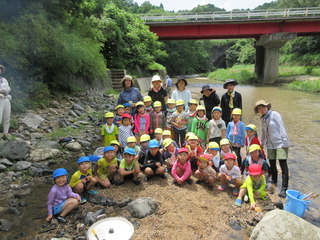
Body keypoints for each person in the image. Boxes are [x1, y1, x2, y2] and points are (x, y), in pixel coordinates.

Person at [254, 100, 290, 198]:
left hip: (280, 144)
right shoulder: (262, 119)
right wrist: (262, 142)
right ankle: (273, 183)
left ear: (267, 106)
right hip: (270, 145)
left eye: (263, 107)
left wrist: (285, 143)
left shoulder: (275, 115)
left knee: (283, 165)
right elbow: (263, 131)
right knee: (272, 164)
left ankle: (284, 188)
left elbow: (281, 128)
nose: (262, 109)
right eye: (259, 108)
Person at [0, 65, 11, 140]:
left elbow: (8, 88)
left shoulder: (4, 80)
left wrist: (6, 91)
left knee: (7, 117)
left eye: (0, 69)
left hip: (6, 99)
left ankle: (5, 133)